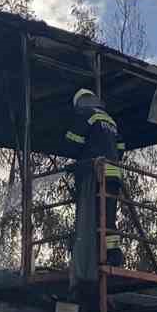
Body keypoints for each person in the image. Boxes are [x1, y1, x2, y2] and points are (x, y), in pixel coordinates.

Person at [64, 88, 126, 286]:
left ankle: (93, 256)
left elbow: (72, 142)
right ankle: (113, 254)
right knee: (108, 218)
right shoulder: (110, 120)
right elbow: (121, 148)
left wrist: (77, 161)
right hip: (113, 174)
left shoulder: (86, 114)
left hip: (96, 175)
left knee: (91, 217)